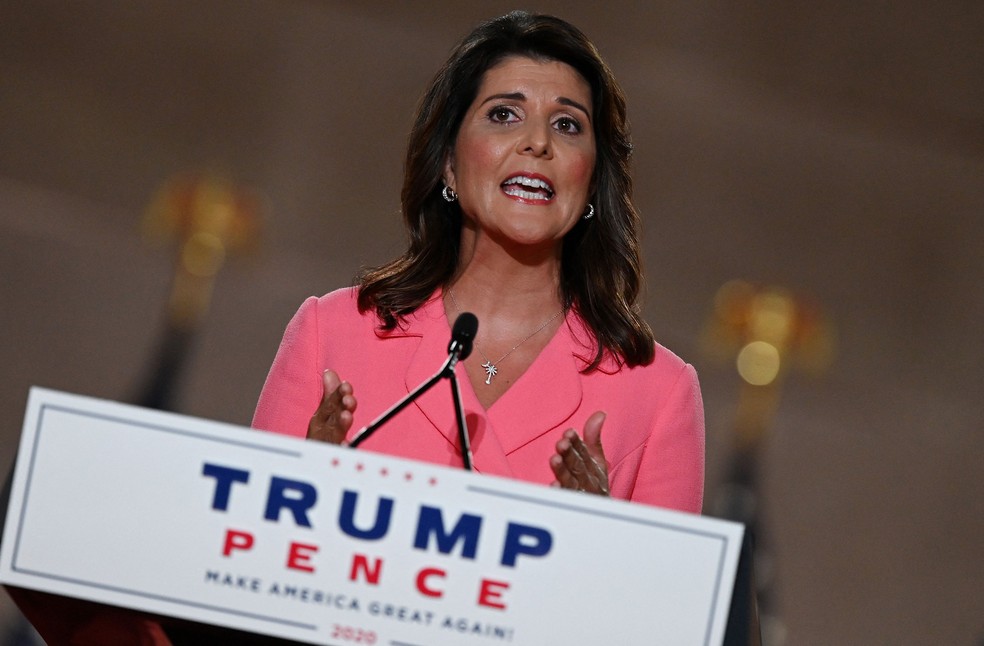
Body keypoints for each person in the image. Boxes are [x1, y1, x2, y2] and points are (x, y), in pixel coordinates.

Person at [252, 10, 704, 513]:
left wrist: (595, 542)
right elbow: (240, 547)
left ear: (592, 180)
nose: (538, 142)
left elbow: (663, 591)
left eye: (567, 124)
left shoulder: (658, 394)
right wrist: (297, 494)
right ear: (448, 161)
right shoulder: (331, 333)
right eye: (504, 114)